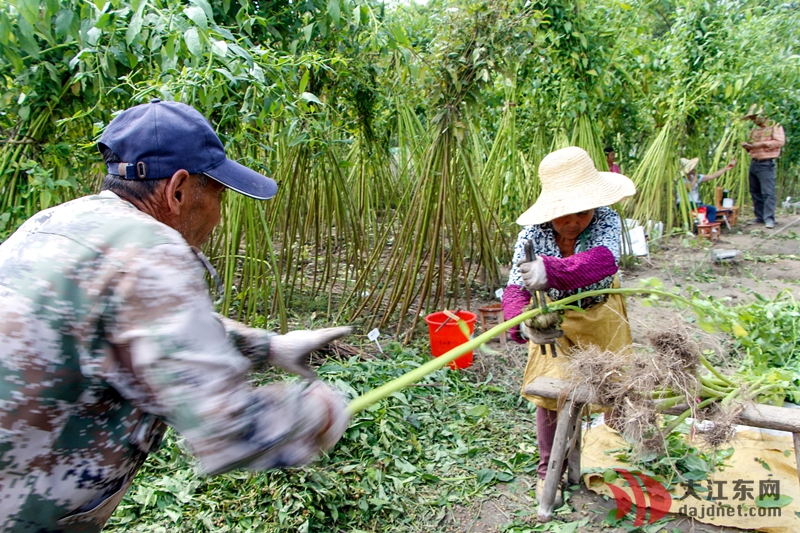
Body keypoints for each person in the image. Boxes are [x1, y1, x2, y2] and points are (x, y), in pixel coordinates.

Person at [0, 99, 352, 531]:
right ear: (179, 190)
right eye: (218, 194)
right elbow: (227, 428)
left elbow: (140, 326)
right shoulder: (150, 249)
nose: (219, 216)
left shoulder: (57, 222)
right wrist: (318, 413)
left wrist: (269, 346)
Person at [501, 146, 635, 506]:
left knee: (612, 383)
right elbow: (515, 285)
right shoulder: (532, 234)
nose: (574, 221)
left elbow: (604, 260)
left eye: (583, 211)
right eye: (564, 215)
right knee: (551, 394)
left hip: (602, 312)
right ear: (550, 211)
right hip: (555, 323)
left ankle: (621, 436)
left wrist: (553, 270)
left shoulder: (606, 219)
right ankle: (550, 470)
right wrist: (522, 323)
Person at [741, 105, 786, 229]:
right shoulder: (755, 130)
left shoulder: (774, 125)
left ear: (762, 116)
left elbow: (780, 142)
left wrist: (760, 144)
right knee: (755, 191)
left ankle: (769, 219)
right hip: (754, 162)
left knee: (768, 193)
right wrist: (747, 146)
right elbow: (752, 145)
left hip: (766, 163)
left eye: (754, 117)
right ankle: (760, 217)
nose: (753, 120)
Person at [677, 157, 737, 224]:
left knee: (710, 208)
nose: (694, 168)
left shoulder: (694, 177)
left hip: (696, 203)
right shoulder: (681, 180)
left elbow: (711, 176)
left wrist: (726, 168)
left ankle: (708, 226)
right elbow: (690, 188)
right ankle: (709, 226)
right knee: (711, 209)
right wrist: (696, 177)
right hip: (686, 203)